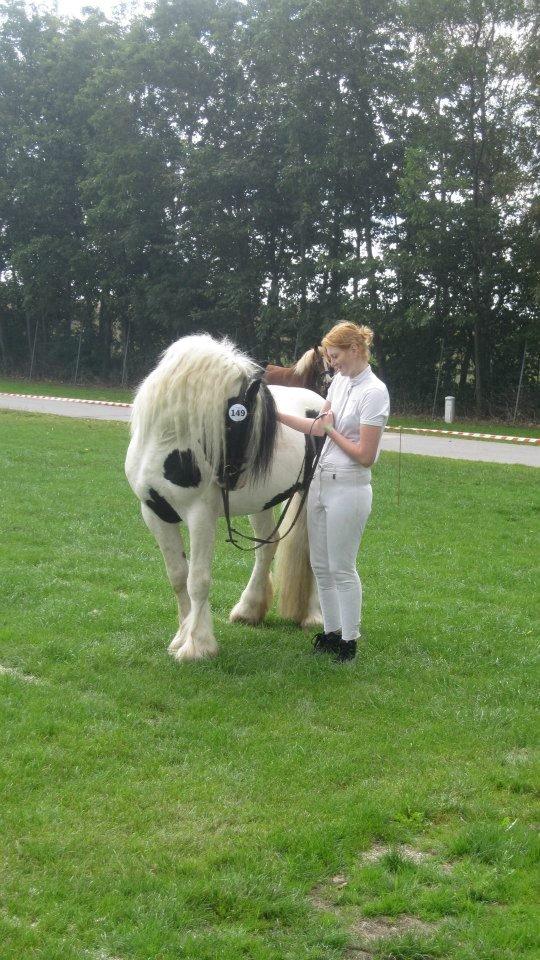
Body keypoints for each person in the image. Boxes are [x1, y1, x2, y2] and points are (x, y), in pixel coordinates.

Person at [276, 321, 390, 662]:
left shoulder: (375, 392)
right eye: (329, 357)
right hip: (321, 483)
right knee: (320, 564)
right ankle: (330, 632)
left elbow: (365, 456)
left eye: (335, 355)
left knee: (342, 567)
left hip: (350, 487)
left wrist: (331, 431)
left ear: (355, 350)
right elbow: (318, 426)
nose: (331, 363)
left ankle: (349, 640)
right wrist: (275, 415)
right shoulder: (339, 383)